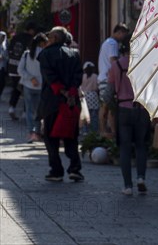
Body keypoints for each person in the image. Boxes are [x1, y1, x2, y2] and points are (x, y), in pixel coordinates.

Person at [38, 26, 84, 182]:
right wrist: (71, 93)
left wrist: (63, 92)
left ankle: (56, 170)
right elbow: (78, 76)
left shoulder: (45, 54)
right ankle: (75, 169)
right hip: (71, 101)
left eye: (49, 37)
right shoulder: (74, 54)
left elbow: (50, 77)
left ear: (56, 38)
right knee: (71, 136)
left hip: (52, 101)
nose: (47, 40)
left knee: (51, 138)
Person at [108, 38, 151, 196]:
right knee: (141, 146)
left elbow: (108, 92)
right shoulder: (144, 64)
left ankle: (127, 185)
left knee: (125, 148)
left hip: (123, 109)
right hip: (141, 109)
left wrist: (107, 111)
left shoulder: (116, 65)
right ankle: (141, 177)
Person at [98, 23, 130, 137]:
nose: (124, 38)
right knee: (109, 106)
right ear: (119, 32)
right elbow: (113, 61)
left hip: (103, 77)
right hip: (108, 79)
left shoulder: (107, 42)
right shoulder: (112, 43)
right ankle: (110, 131)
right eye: (124, 35)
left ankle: (103, 131)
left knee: (105, 105)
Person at [17, 32, 48, 143]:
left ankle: (31, 133)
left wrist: (30, 78)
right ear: (43, 43)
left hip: (28, 86)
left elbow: (20, 70)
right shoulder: (46, 53)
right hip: (42, 87)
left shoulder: (26, 54)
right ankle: (38, 132)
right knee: (40, 111)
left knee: (29, 110)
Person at [6, 22, 37, 120]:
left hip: (12, 67)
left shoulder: (16, 37)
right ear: (31, 30)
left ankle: (11, 108)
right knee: (26, 90)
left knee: (16, 88)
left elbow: (9, 50)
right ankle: (24, 112)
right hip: (23, 69)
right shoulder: (30, 39)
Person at [80, 62, 100, 133]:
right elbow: (98, 87)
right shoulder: (95, 76)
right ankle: (94, 131)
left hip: (84, 97)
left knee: (84, 115)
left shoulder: (82, 76)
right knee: (94, 115)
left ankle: (84, 131)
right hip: (94, 96)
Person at [0, 31, 8, 98]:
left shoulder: (6, 46)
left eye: (3, 37)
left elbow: (7, 56)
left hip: (3, 67)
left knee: (2, 82)